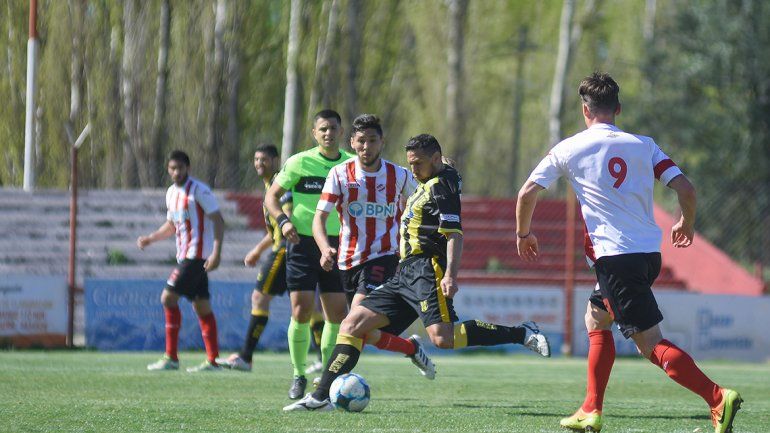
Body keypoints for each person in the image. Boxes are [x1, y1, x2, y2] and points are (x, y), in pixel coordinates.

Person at [515, 72, 742, 433]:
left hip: (616, 258)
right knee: (596, 318)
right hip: (647, 255)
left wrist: (523, 232)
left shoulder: (569, 148)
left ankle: (716, 397)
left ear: (584, 110)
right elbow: (686, 188)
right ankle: (590, 409)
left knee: (649, 344)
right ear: (617, 109)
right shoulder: (644, 145)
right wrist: (686, 222)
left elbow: (527, 192)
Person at [283, 134, 551, 412]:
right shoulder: (431, 181)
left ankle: (521, 333)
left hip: (428, 270)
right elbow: (445, 174)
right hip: (404, 272)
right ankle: (320, 397)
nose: (413, 169)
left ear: (434, 159)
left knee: (442, 338)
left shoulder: (441, 189)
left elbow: (454, 235)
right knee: (353, 325)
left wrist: (450, 274)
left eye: (419, 163)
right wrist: (441, 167)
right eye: (410, 163)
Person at [313, 114, 435, 379]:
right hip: (347, 262)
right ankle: (410, 348)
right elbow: (319, 219)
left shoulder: (399, 175)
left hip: (383, 258)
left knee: (353, 322)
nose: (366, 147)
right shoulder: (339, 173)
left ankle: (326, 386)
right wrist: (324, 248)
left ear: (382, 142)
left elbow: (424, 203)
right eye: (361, 141)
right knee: (362, 331)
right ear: (352, 143)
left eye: (372, 140)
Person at [264, 109, 354, 399]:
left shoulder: (351, 166)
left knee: (336, 314)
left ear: (341, 133)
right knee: (301, 310)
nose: (328, 133)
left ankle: (327, 378)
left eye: (333, 129)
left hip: (338, 244)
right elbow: (271, 197)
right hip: (302, 243)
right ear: (315, 133)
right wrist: (283, 221)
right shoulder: (299, 162)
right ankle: (299, 374)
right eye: (322, 129)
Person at [138, 150, 225, 372]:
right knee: (202, 307)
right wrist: (151, 238)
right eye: (172, 168)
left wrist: (216, 253)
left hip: (195, 256)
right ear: (168, 170)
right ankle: (213, 360)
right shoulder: (171, 193)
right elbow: (171, 225)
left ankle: (171, 357)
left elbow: (218, 220)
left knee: (168, 298)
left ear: (188, 168)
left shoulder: (199, 191)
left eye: (180, 168)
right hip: (186, 255)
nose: (176, 172)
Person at [217, 144, 293, 371]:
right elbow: (274, 229)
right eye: (257, 159)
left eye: (265, 159)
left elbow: (286, 219)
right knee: (308, 306)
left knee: (260, 299)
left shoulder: (282, 185)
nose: (260, 163)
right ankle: (321, 359)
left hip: (285, 250)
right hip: (285, 247)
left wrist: (287, 229)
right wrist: (257, 251)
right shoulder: (270, 188)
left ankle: (246, 357)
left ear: (275, 161)